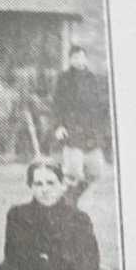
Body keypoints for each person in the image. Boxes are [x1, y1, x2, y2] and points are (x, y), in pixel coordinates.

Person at [52, 45, 109, 205]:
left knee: (96, 171)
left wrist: (101, 129)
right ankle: (64, 204)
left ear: (86, 59)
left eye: (82, 57)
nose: (79, 60)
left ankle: (71, 198)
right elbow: (57, 105)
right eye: (75, 57)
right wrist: (59, 126)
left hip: (91, 132)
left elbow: (101, 106)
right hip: (72, 129)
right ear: (70, 59)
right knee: (73, 172)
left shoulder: (93, 79)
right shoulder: (63, 79)